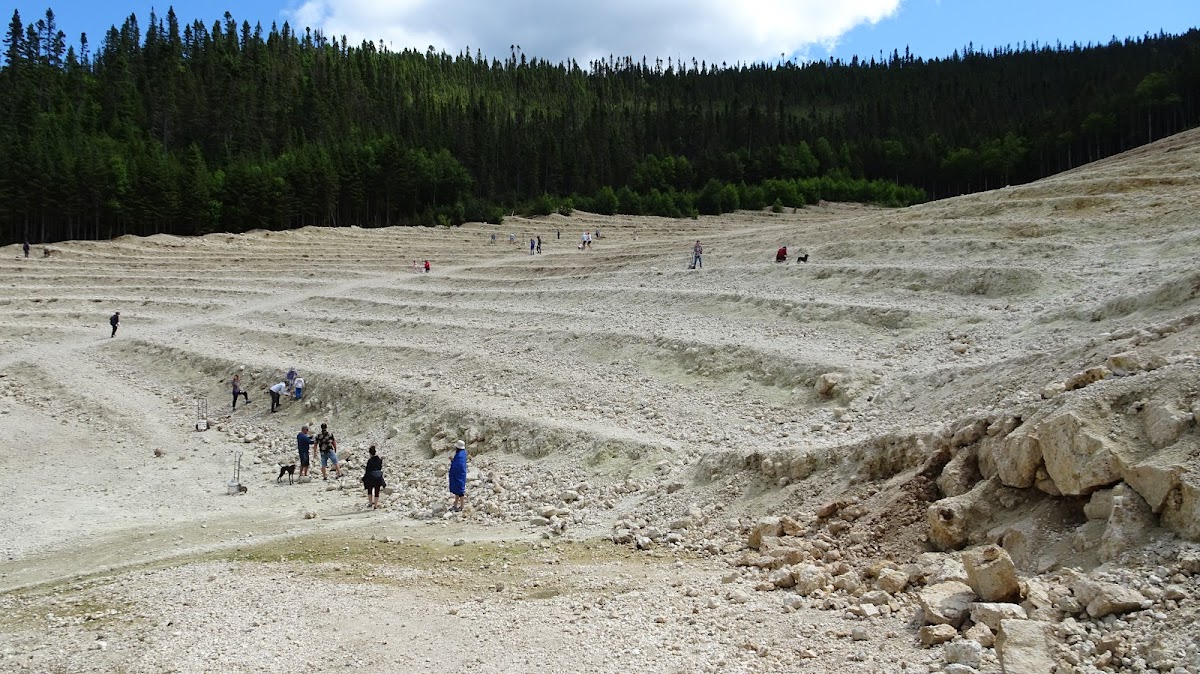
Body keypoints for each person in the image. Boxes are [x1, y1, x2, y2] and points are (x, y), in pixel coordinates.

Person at [362, 445, 385, 509]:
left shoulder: (370, 461)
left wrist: (364, 478)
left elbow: (367, 470)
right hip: (378, 477)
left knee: (370, 490)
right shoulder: (379, 460)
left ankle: (370, 503)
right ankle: (376, 505)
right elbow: (380, 468)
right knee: (377, 491)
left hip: (371, 477)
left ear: (370, 453)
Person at [448, 440, 468, 512]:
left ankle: (462, 506)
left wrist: (452, 461)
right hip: (460, 474)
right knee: (458, 490)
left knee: (460, 490)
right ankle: (456, 504)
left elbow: (458, 465)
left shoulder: (459, 455)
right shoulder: (462, 453)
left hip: (459, 474)